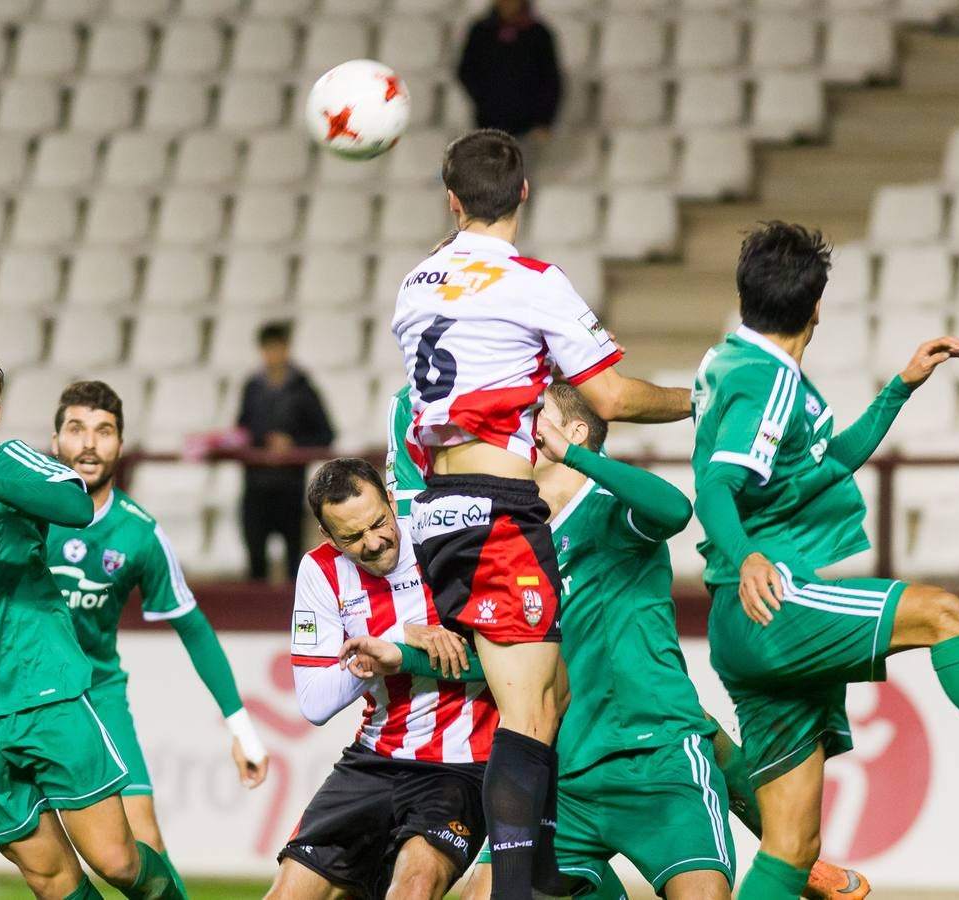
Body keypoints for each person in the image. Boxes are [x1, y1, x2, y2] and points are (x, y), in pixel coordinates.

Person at [385, 382, 869, 900]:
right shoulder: (510, 542)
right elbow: (498, 661)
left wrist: (576, 457)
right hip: (563, 774)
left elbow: (675, 510)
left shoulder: (609, 506)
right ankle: (790, 853)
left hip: (657, 760)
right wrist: (398, 653)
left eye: (535, 414)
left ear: (573, 432)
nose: (520, 426)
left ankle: (791, 854)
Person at [391, 128, 691, 899]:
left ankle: (542, 862)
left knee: (552, 693)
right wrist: (698, 399)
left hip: (439, 510)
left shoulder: (414, 283)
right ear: (524, 192)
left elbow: (477, 334)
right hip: (496, 510)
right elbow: (610, 398)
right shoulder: (532, 281)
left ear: (451, 200)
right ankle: (514, 887)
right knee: (526, 712)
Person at [692, 222, 959, 899]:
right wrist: (747, 556)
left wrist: (899, 387)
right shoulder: (766, 381)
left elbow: (825, 468)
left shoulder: (727, 364)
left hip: (739, 617)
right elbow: (715, 485)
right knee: (943, 613)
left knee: (791, 848)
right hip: (772, 603)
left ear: (745, 298)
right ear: (817, 307)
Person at [0, 380, 268, 900]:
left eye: (104, 431)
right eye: (76, 429)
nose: (89, 444)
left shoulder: (138, 532)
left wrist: (241, 727)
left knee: (138, 842)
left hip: (95, 693)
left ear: (121, 445)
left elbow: (193, 628)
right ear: (54, 441)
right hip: (2, 690)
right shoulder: (11, 508)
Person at [0, 344, 184, 900]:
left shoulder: (12, 462)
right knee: (51, 880)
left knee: (117, 861)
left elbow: (77, 506)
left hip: (42, 693)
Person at [267, 458, 495, 900]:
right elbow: (315, 702)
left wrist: (394, 654)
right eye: (352, 537)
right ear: (327, 536)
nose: (373, 543)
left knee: (413, 887)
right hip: (375, 758)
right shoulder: (320, 570)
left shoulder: (441, 542)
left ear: (392, 500)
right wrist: (394, 639)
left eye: (378, 524)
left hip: (461, 765)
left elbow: (511, 655)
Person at [235, 320, 335, 581]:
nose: (273, 354)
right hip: (255, 486)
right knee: (255, 562)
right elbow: (242, 431)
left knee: (294, 562)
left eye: (277, 347)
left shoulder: (303, 390)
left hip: (290, 488)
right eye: (268, 348)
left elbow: (325, 435)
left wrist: (293, 445)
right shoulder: (252, 388)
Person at [457, 0, 563, 140]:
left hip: (529, 129)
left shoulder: (539, 33)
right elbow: (466, 70)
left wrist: (544, 121)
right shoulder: (481, 31)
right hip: (487, 124)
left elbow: (551, 80)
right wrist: (484, 100)